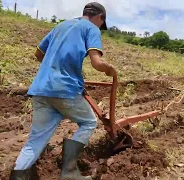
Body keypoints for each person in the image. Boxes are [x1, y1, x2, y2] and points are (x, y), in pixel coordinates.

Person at [10, 2, 116, 180]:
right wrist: (110, 70)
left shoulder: (61, 26)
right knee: (89, 122)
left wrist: (54, 67)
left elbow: (38, 54)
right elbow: (97, 62)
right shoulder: (91, 28)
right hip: (65, 88)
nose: (100, 26)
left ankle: (17, 177)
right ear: (100, 17)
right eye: (101, 23)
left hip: (41, 89)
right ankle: (69, 172)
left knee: (36, 139)